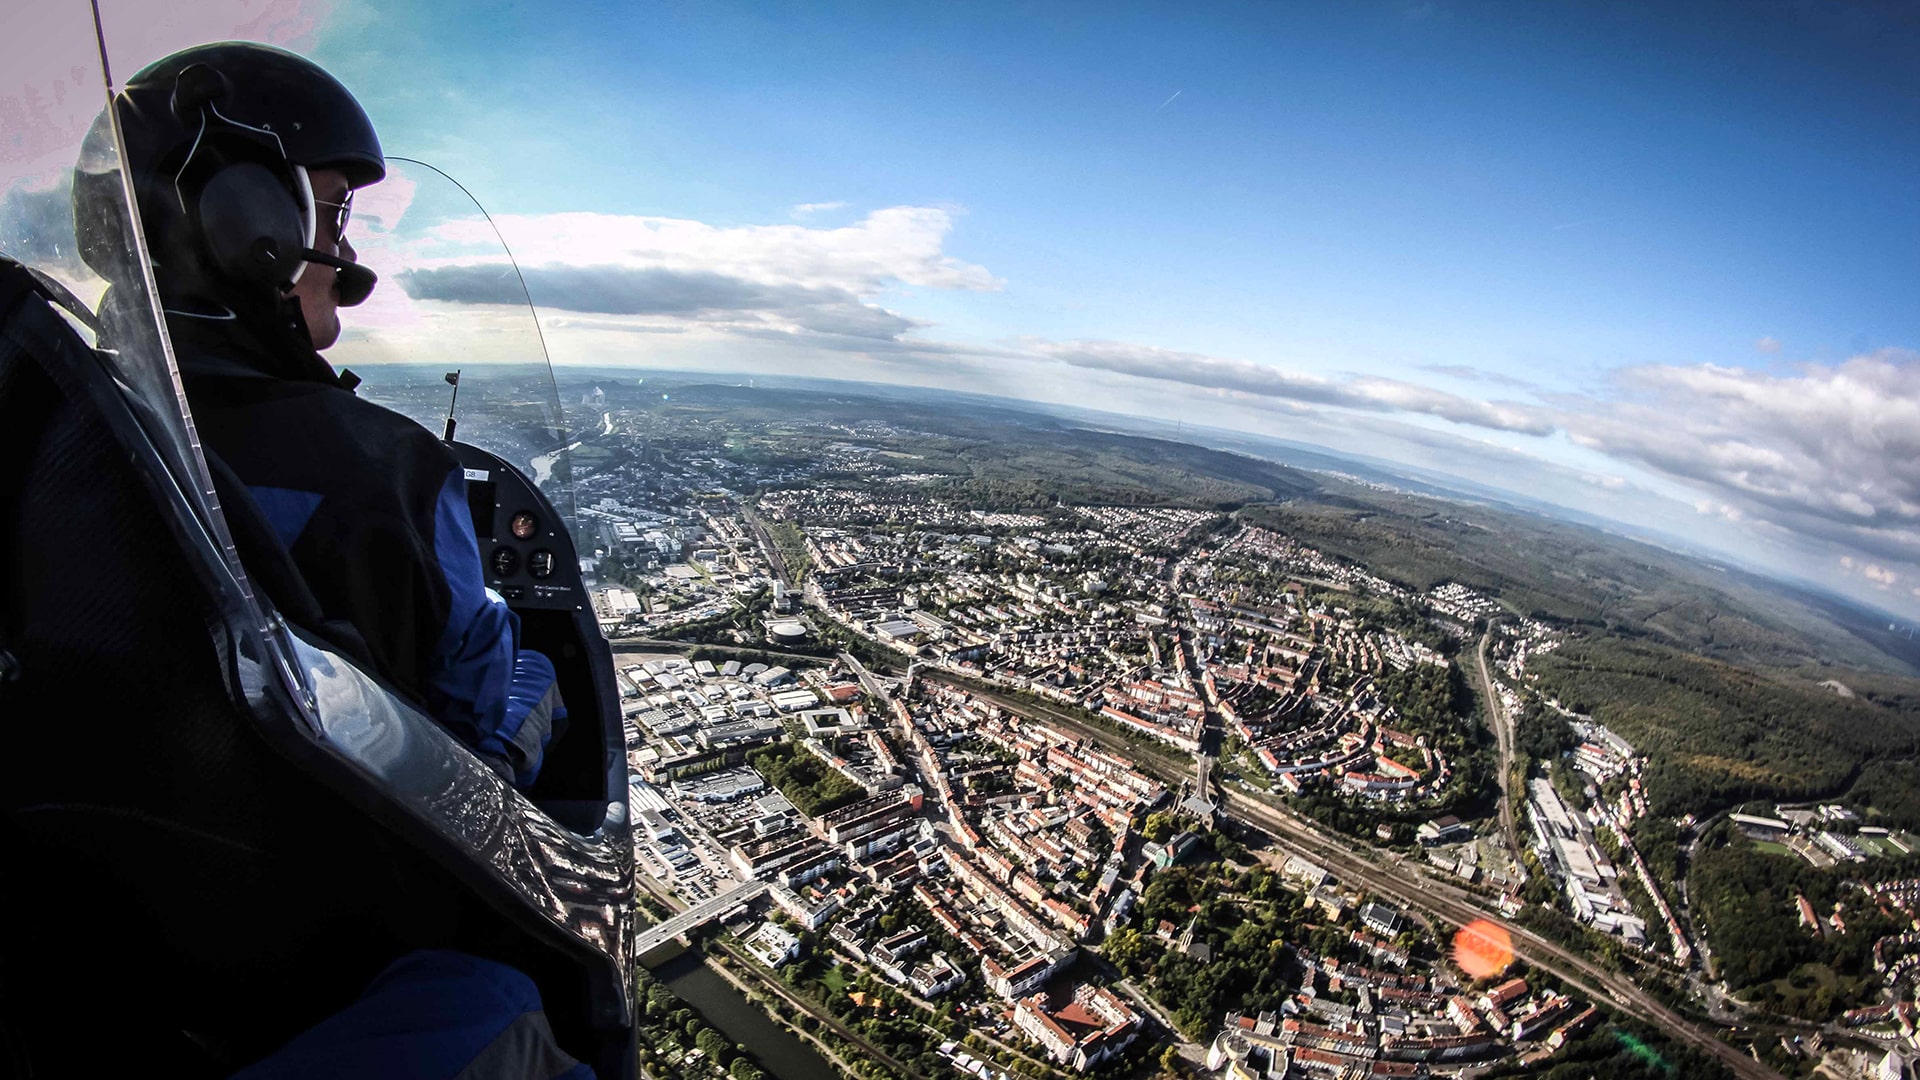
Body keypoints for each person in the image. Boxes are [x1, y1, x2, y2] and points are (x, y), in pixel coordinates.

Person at [80, 41, 563, 788]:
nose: (346, 250)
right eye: (334, 214)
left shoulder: (65, 421)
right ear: (252, 228)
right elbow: (470, 727)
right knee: (538, 675)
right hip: (337, 842)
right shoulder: (394, 476)